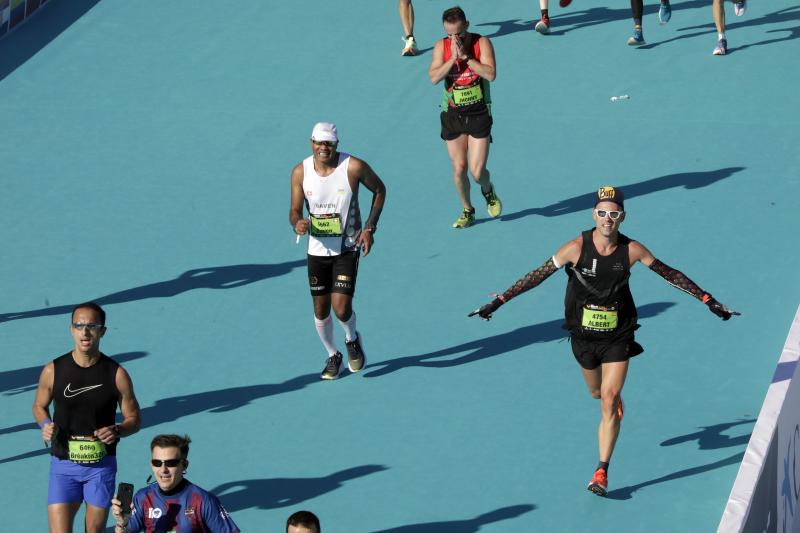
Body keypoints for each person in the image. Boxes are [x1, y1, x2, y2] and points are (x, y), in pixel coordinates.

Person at [469, 186, 739, 496]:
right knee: (597, 392)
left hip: (618, 334)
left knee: (609, 398)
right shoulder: (574, 248)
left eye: (613, 214)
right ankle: (610, 399)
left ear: (622, 216)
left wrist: (709, 300)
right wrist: (499, 300)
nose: (607, 219)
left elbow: (670, 274)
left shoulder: (633, 250)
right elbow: (537, 275)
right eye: (602, 213)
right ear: (593, 215)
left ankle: (601, 471)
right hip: (583, 337)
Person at [32, 301, 141, 533]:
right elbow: (39, 406)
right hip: (62, 466)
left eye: (92, 325)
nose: (85, 331)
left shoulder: (117, 374)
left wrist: (117, 430)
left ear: (102, 331)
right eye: (79, 325)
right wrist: (45, 424)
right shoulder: (53, 370)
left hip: (100, 469)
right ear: (71, 330)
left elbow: (134, 419)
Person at [290, 122, 387, 379]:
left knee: (341, 309)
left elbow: (379, 190)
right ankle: (334, 355)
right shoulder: (300, 172)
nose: (323, 148)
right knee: (320, 311)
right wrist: (297, 223)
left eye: (329, 144)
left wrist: (369, 228)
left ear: (336, 145)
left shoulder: (353, 167)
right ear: (311, 142)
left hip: (347, 248)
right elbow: (294, 210)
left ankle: (352, 339)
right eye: (319, 143)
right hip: (317, 251)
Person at [429, 6, 502, 229]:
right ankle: (468, 209)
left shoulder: (482, 43)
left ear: (467, 26)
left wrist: (467, 58)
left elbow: (491, 74)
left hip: (478, 113)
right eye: (450, 34)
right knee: (459, 169)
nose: (454, 38)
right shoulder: (441, 47)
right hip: (453, 115)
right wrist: (452, 59)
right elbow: (433, 77)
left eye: (458, 33)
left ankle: (488, 190)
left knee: (477, 172)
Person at [111, 434, 239, 532]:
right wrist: (121, 523)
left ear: (184, 465)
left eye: (171, 463)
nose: (163, 470)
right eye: (157, 463)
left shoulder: (203, 501)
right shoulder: (143, 498)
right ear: (152, 465)